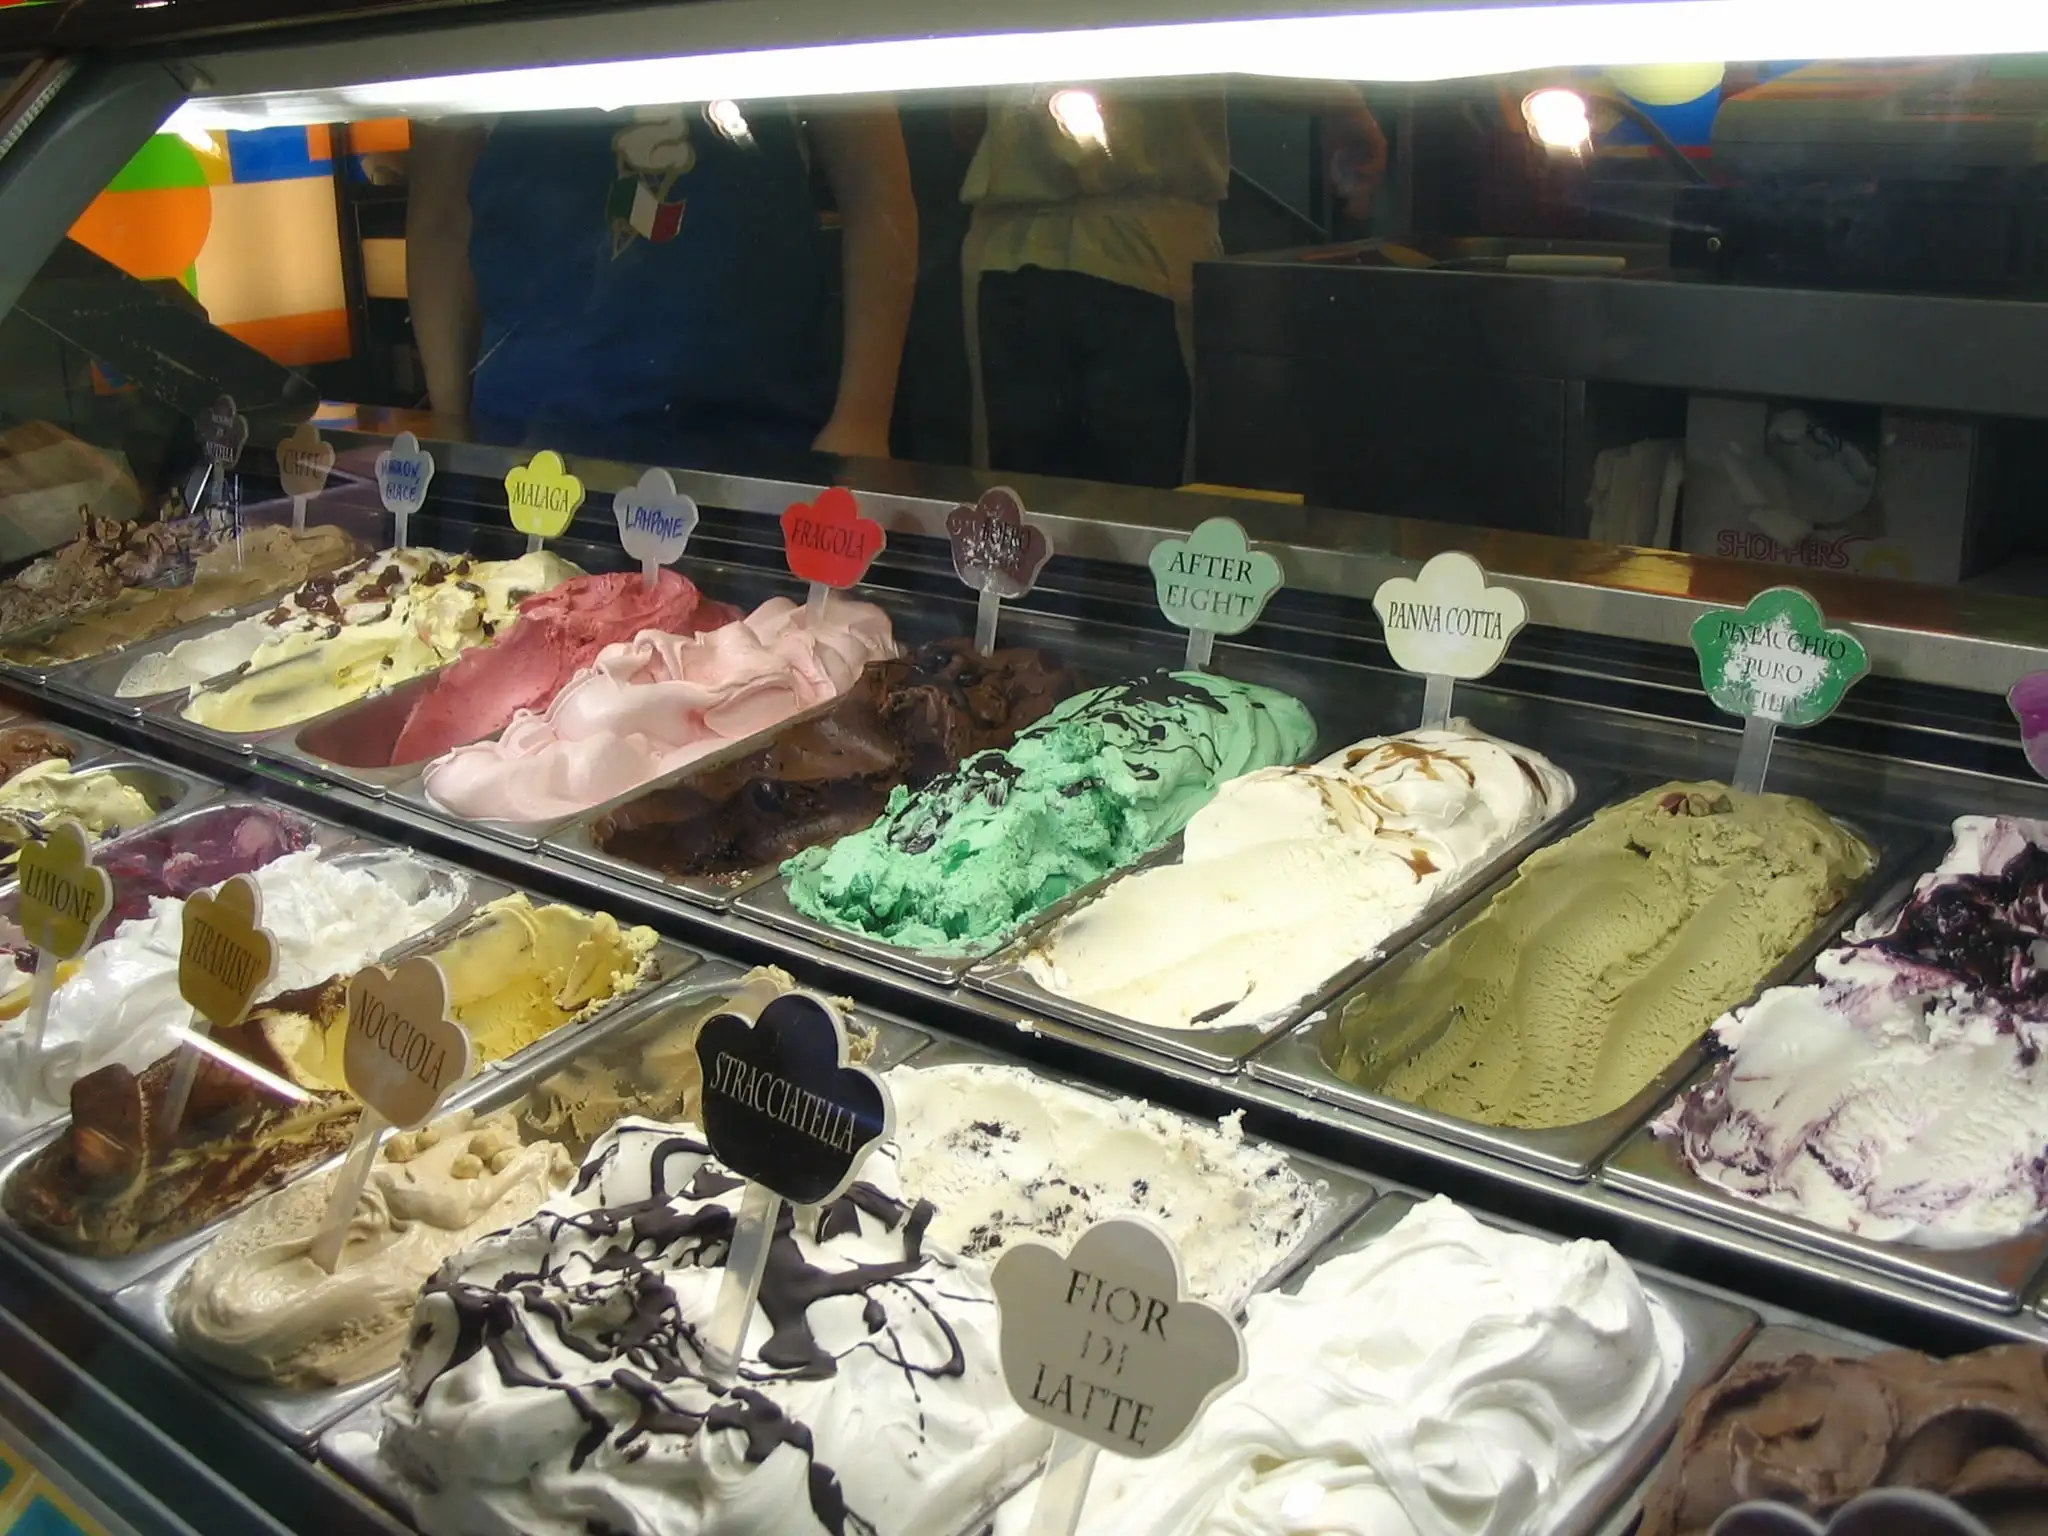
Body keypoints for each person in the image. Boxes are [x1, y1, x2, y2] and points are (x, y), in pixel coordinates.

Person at [408, 99, 917, 460]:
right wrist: (451, 422)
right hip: (525, 437)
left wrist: (863, 420)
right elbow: (440, 223)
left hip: (755, 436)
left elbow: (877, 200)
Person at [962, 81, 1385, 487]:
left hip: (1009, 258)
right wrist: (1345, 106)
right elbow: (1245, 37)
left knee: (1024, 521)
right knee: (1150, 517)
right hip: (1142, 255)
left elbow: (963, 117)